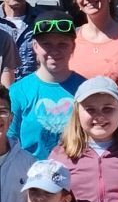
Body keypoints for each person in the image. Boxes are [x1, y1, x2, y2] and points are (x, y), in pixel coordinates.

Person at [9, 14, 82, 157]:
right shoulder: (17, 92)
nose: (54, 51)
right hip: (30, 175)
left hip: (77, 174)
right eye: (46, 44)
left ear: (73, 47)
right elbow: (9, 142)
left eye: (62, 44)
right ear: (35, 46)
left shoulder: (85, 90)